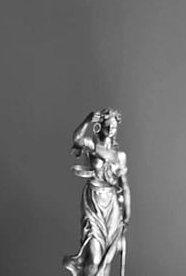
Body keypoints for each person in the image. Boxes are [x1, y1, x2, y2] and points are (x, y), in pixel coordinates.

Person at [63, 108, 131, 276]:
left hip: (112, 206)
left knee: (106, 258)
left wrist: (127, 213)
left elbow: (124, 184)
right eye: (108, 125)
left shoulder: (120, 156)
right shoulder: (93, 147)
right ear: (100, 126)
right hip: (93, 202)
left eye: (114, 127)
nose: (111, 129)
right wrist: (87, 120)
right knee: (94, 258)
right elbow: (77, 139)